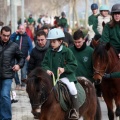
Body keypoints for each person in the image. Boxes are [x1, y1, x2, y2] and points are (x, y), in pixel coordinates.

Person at [42, 28, 82, 119]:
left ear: (60, 41)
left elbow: (74, 64)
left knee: (73, 90)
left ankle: (75, 111)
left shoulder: (67, 51)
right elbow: (44, 64)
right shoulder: (49, 52)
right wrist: (47, 70)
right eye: (50, 41)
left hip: (66, 77)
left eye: (54, 42)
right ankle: (39, 108)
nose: (51, 44)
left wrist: (64, 69)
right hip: (52, 77)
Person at [0, 26, 24, 120]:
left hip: (7, 76)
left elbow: (21, 58)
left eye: (8, 36)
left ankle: (6, 118)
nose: (6, 37)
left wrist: (18, 65)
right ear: (0, 34)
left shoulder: (14, 46)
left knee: (5, 95)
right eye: (4, 35)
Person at [100, 3, 120, 78]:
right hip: (110, 51)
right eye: (115, 14)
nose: (117, 15)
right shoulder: (108, 26)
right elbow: (104, 40)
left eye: (119, 13)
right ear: (112, 15)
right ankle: (97, 83)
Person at [10, 25, 33, 90]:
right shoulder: (15, 36)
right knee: (14, 70)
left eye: (22, 29)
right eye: (20, 29)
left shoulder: (27, 37)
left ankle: (23, 85)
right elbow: (10, 40)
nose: (21, 30)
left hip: (24, 57)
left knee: (23, 72)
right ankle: (17, 84)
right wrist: (14, 33)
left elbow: (31, 47)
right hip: (15, 56)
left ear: (24, 30)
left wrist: (29, 55)